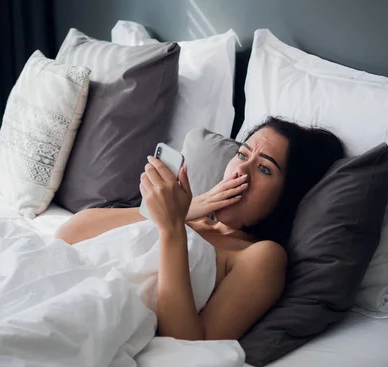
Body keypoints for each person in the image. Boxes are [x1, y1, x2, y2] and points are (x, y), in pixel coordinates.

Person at [55, 116, 344, 341]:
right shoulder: (187, 215)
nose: (241, 171)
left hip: (93, 316)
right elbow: (68, 235)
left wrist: (171, 232)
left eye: (265, 169)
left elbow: (187, 343)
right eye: (243, 155)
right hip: (61, 282)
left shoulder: (261, 256)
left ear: (287, 196)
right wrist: (187, 210)